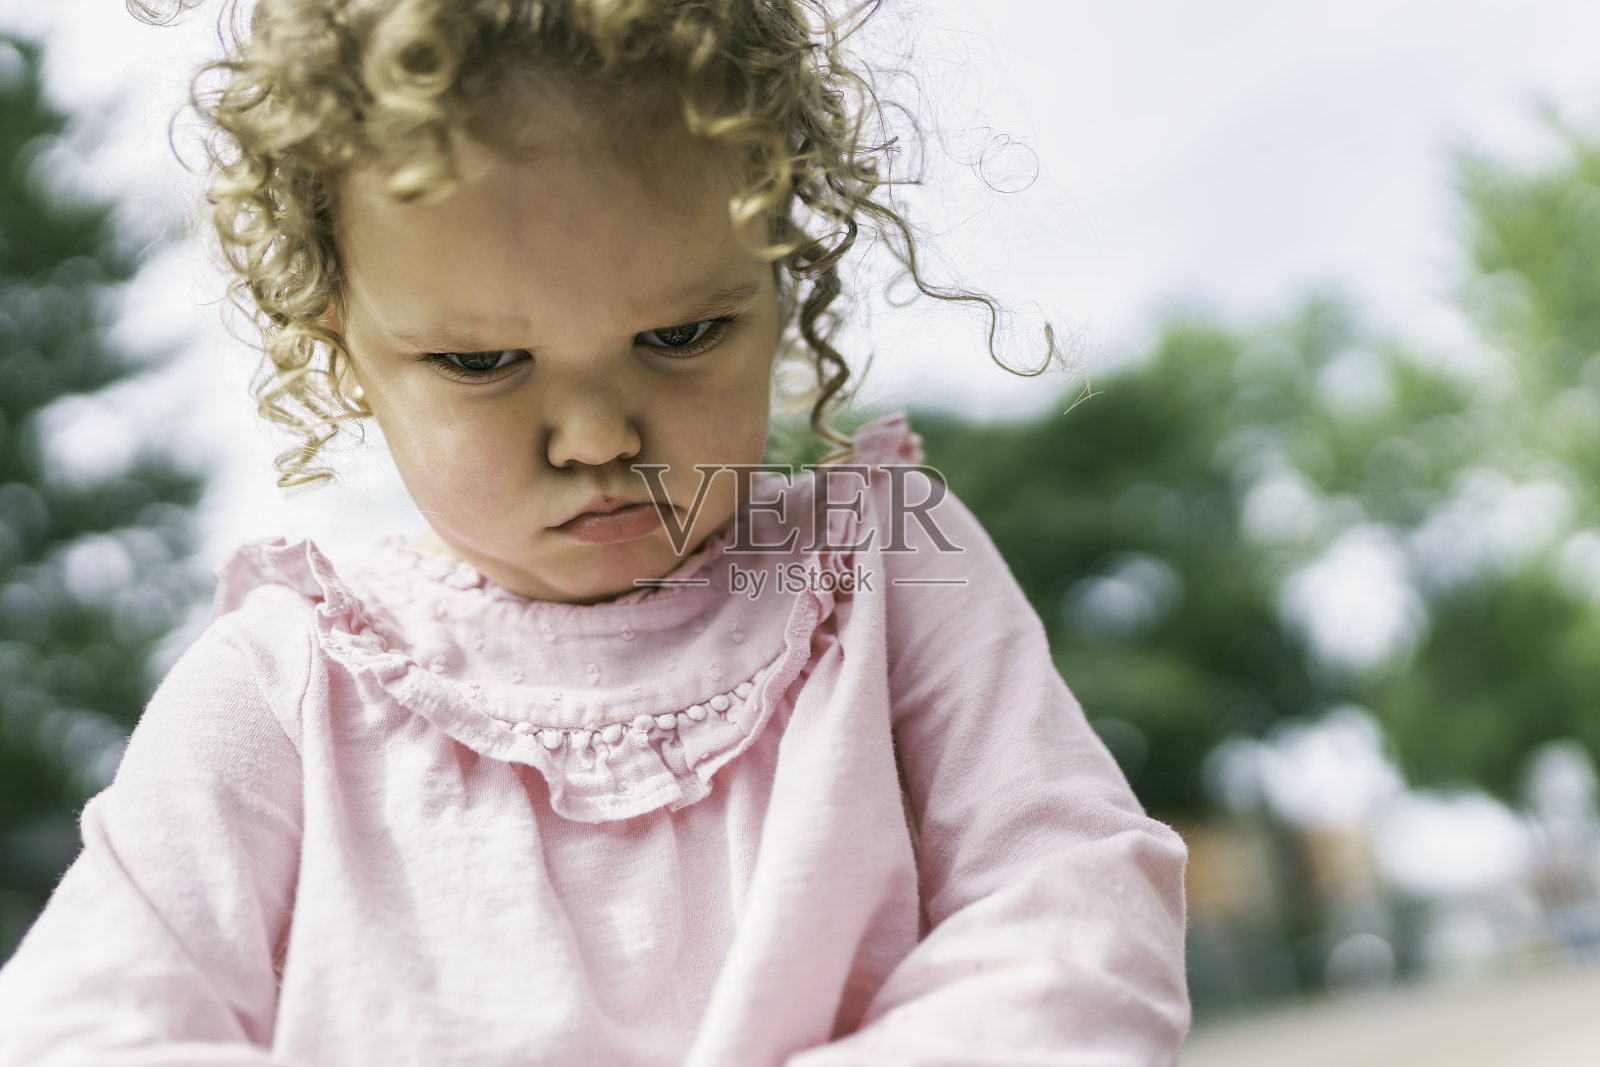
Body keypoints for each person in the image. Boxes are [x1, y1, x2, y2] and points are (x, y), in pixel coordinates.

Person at [0, 0, 1191, 1063]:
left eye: (680, 336)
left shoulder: (878, 566)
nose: (593, 435)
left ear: (782, 282)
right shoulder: (282, 683)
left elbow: (1073, 909)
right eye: (480, 360)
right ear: (344, 349)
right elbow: (84, 1020)